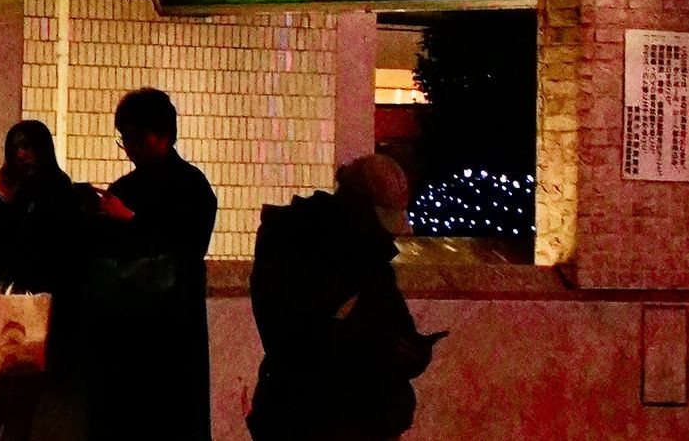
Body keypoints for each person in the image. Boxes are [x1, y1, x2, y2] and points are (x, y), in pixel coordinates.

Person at [248, 151, 441, 440]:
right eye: (380, 223)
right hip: (309, 418)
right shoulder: (295, 242)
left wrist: (413, 352)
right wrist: (378, 346)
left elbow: (393, 320)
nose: (387, 236)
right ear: (357, 206)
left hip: (363, 418)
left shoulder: (370, 254)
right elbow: (292, 339)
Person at [87, 87, 220, 441]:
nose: (129, 148)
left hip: (169, 333)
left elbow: (187, 247)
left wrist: (130, 219)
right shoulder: (127, 187)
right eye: (124, 139)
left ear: (164, 136)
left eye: (136, 138)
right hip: (133, 331)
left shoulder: (191, 187)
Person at [0, 117, 100, 439]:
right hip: (6, 312)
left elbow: (59, 255)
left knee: (18, 409)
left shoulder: (60, 195)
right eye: (15, 148)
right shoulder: (11, 196)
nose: (21, 155)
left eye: (28, 147)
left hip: (40, 315)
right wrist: (5, 202)